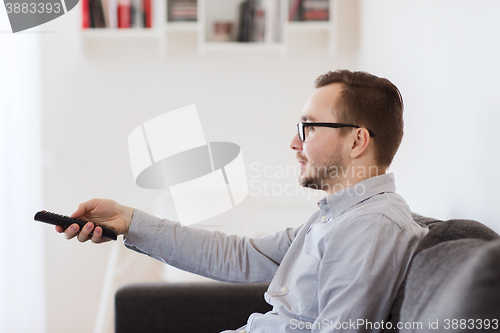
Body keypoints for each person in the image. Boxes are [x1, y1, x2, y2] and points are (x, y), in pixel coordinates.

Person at [57, 70, 428, 332]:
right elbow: (240, 255)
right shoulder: (339, 216)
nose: (294, 143)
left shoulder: (372, 227)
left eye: (308, 127)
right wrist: (129, 219)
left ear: (358, 141)